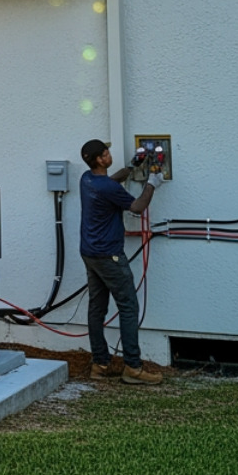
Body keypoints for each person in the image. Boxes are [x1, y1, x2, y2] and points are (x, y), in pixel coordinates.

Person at [78, 138, 164, 384]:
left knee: (97, 307)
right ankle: (133, 368)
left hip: (90, 253)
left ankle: (100, 364)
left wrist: (133, 165)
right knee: (128, 306)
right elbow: (137, 207)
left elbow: (111, 181)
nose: (109, 154)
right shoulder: (107, 188)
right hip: (110, 256)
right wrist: (152, 184)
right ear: (98, 159)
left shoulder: (87, 179)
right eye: (106, 153)